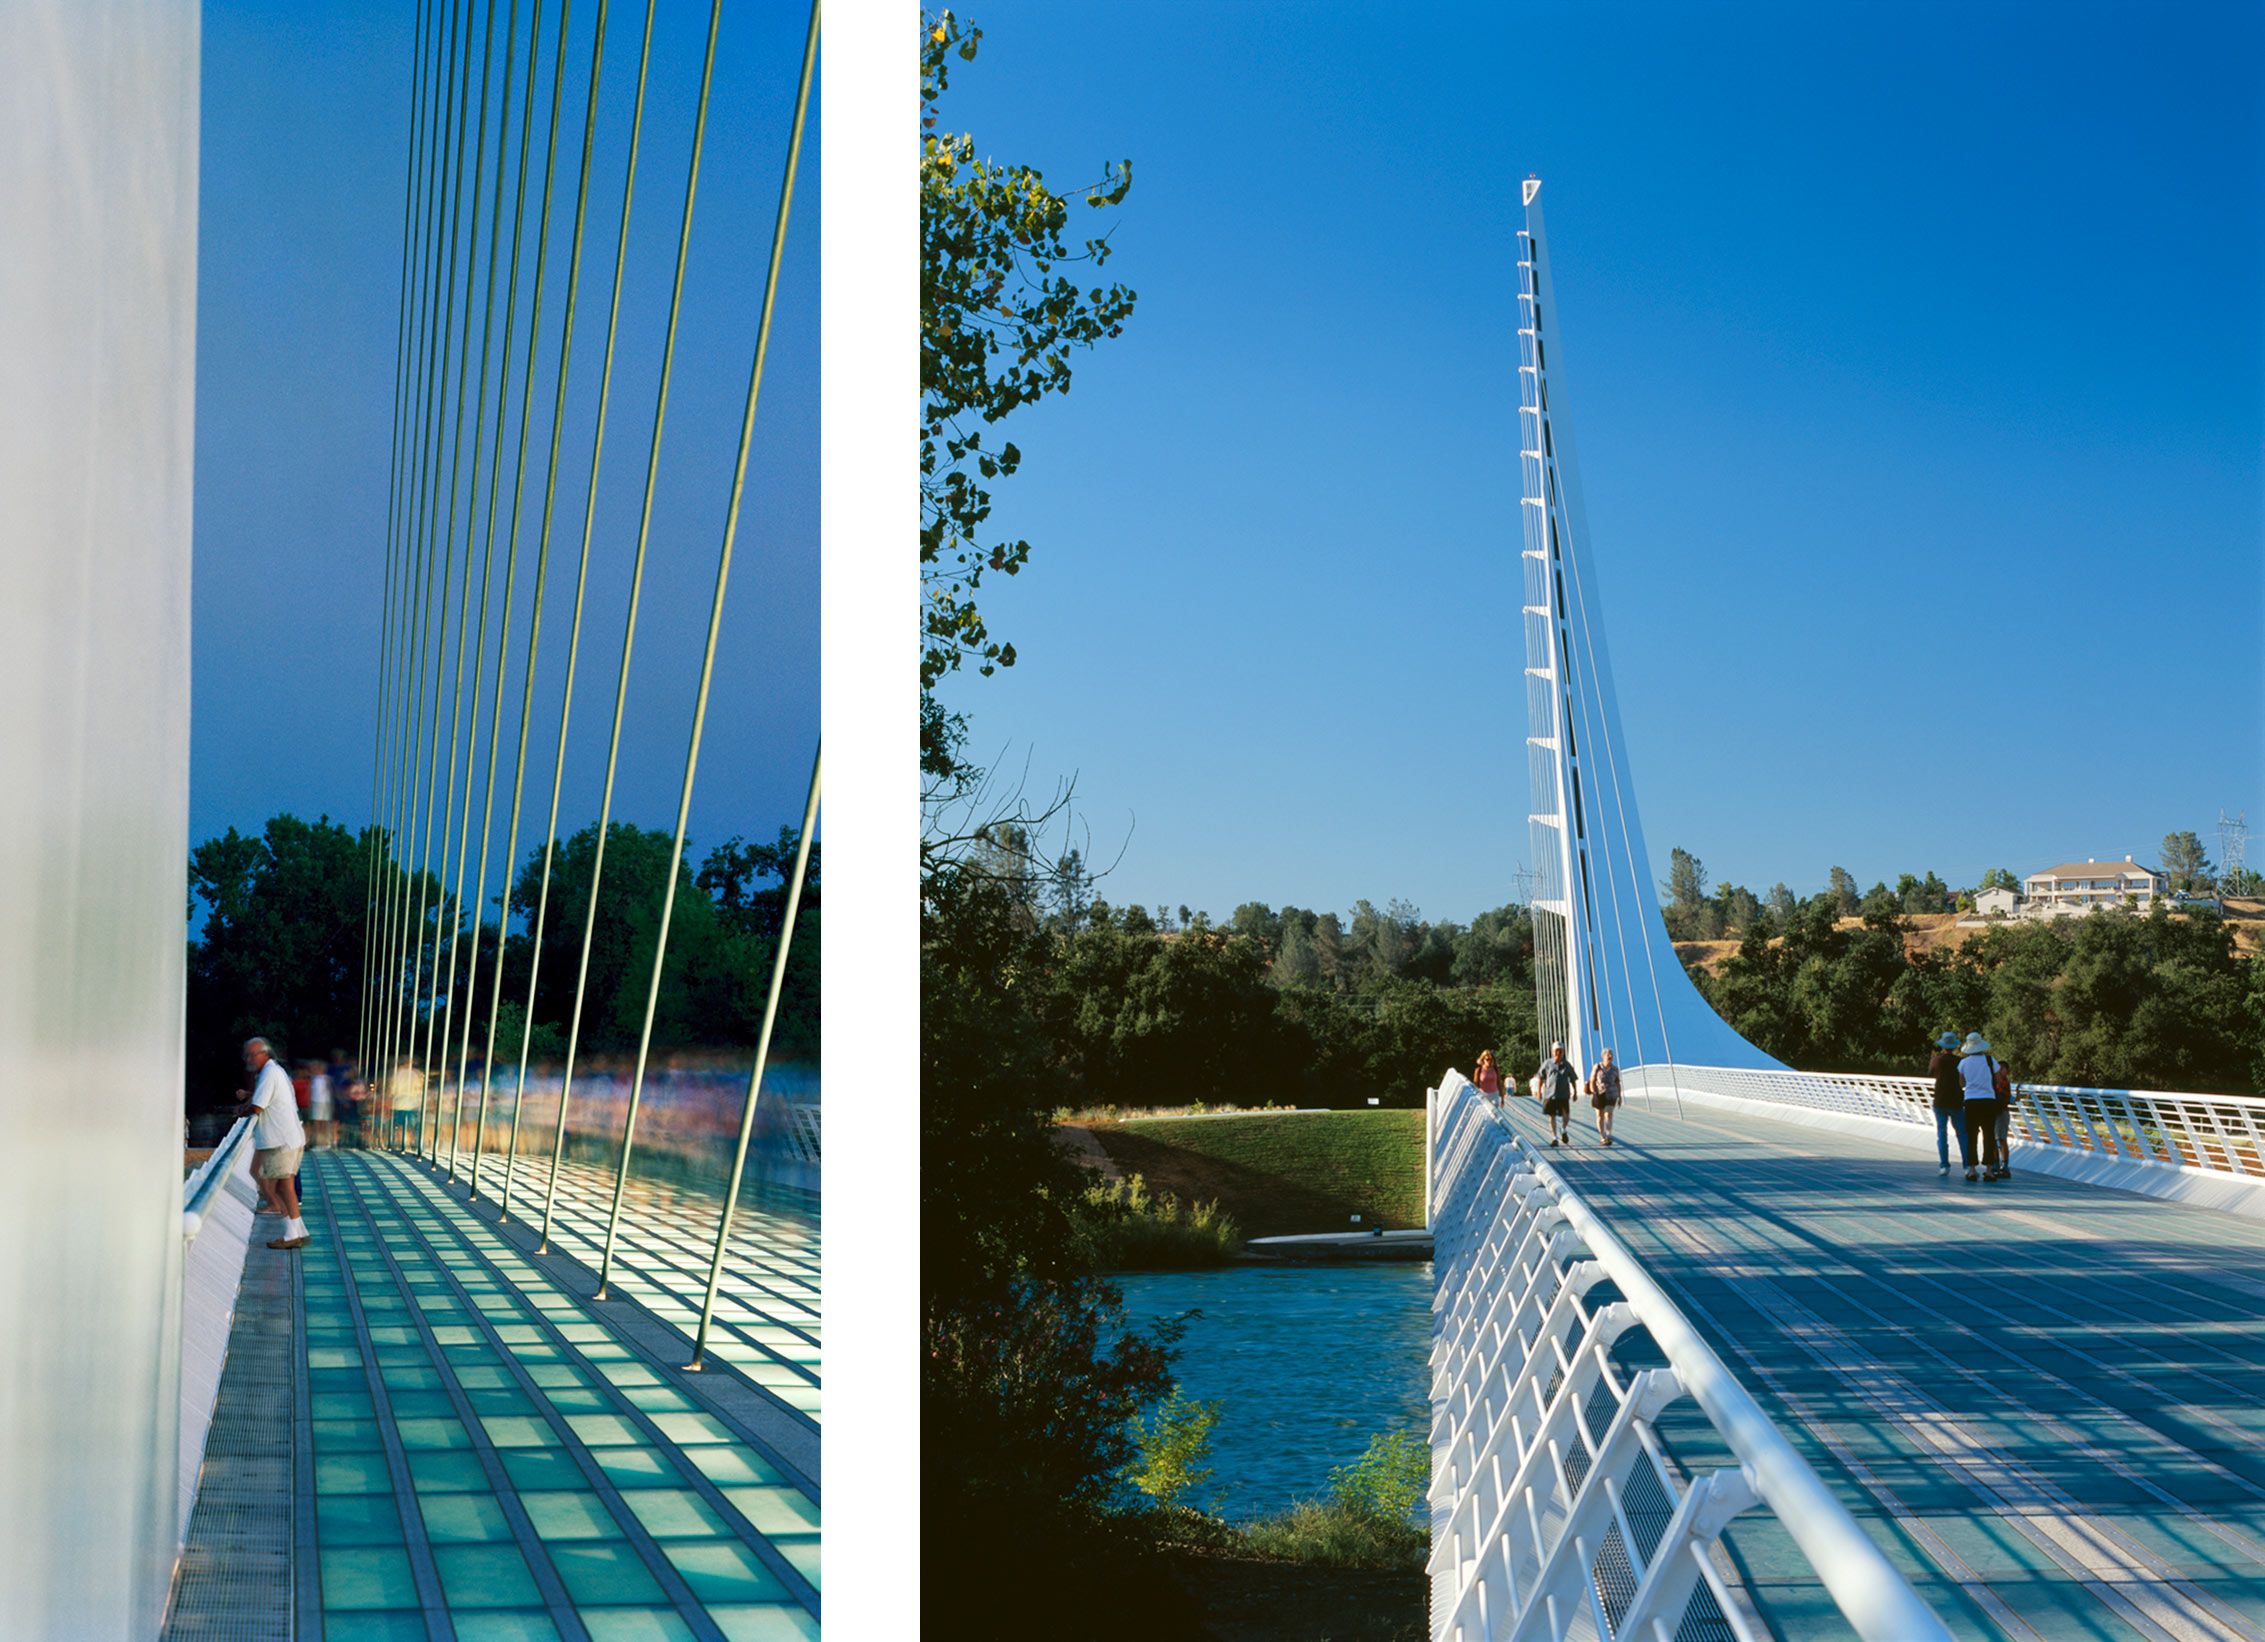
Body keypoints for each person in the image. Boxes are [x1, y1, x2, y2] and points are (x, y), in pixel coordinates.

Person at [239, 1038, 309, 1249]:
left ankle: (291, 1234)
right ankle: (297, 1230)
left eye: (252, 1055)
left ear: (264, 1053)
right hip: (287, 1138)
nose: (249, 1059)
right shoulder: (274, 1071)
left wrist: (240, 1113)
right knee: (282, 1185)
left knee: (282, 1186)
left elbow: (258, 1106)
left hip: (280, 1140)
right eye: (247, 1055)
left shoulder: (269, 1073)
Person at [1957, 1031, 2003, 1183]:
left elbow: (1962, 1083)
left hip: (1971, 1101)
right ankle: (1989, 1170)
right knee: (1988, 1134)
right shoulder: (1990, 1060)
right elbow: (1997, 1079)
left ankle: (1971, 1170)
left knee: (1971, 1135)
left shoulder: (1963, 1063)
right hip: (1988, 1101)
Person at [1927, 1031, 1970, 1177]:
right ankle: (1966, 1166)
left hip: (1940, 1100)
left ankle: (1944, 1166)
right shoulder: (1960, 1061)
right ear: (1954, 1046)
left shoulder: (1936, 1060)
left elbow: (1930, 1073)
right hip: (1957, 1100)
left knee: (1942, 1133)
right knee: (1962, 1134)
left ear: (1942, 1046)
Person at [1535, 1041, 1579, 1147]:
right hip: (1550, 1094)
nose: (1558, 1053)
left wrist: (1575, 1092)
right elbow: (1541, 1077)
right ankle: (1554, 1138)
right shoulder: (1547, 1063)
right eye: (1556, 1051)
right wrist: (1539, 1091)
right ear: (1552, 1052)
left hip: (1563, 1094)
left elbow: (1573, 1078)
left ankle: (1563, 1129)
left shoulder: (1567, 1065)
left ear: (1563, 1052)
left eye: (1560, 1051)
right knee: (1552, 1116)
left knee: (1566, 1115)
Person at [1586, 1047, 1622, 1145]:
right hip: (1599, 1094)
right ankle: (1602, 1136)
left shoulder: (1615, 1069)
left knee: (1608, 1114)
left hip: (1611, 1094)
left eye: (1611, 1054)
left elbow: (1617, 1083)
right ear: (1603, 1056)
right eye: (1608, 1054)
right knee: (1600, 1116)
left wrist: (1620, 1096)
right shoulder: (1597, 1067)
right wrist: (1594, 1092)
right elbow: (1592, 1080)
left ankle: (1608, 1135)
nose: (1610, 1056)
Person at [1989, 1054, 2015, 1181]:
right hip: (1993, 1112)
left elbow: (2006, 1097)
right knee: (1993, 1139)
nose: (2000, 1071)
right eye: (1998, 1068)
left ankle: (2004, 1166)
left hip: (2002, 1113)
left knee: (2001, 1138)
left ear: (2007, 1071)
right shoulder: (1994, 1081)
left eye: (2002, 1069)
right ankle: (1995, 1164)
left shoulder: (2003, 1083)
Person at [307, 1060, 334, 1149]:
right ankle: (318, 1143)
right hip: (315, 1103)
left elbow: (331, 1090)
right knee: (316, 1123)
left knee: (324, 1123)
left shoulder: (327, 1078)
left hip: (325, 1103)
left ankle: (325, 1142)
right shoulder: (312, 1079)